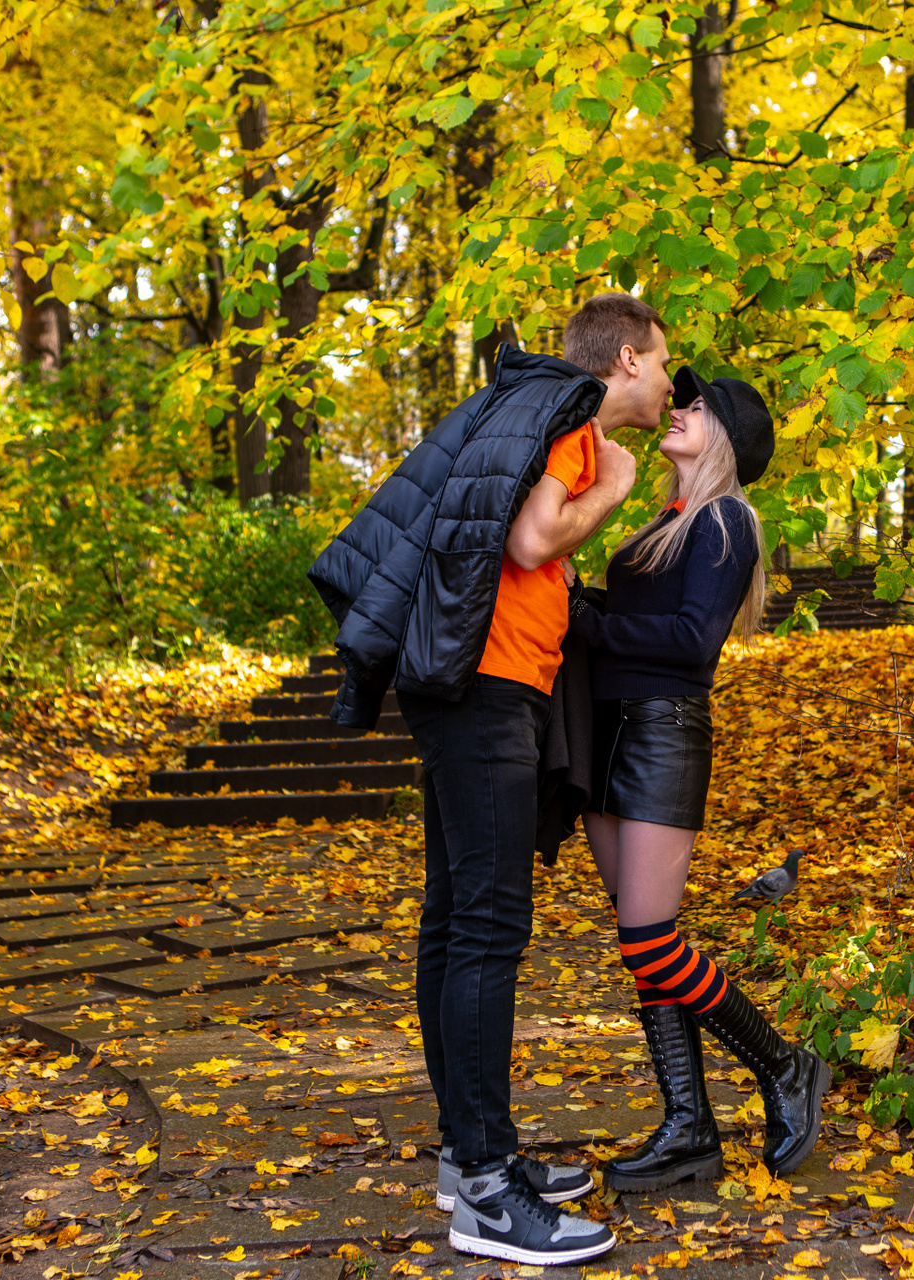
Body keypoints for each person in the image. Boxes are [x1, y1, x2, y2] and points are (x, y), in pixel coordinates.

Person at [309, 294, 672, 1265]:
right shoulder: (572, 421)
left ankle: (468, 1152)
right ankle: (485, 1188)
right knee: (487, 926)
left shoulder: (537, 410)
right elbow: (532, 539)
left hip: (466, 680)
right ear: (626, 360)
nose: (667, 383)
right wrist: (616, 488)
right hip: (488, 685)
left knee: (454, 916)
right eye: (661, 362)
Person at [569, 367, 832, 1191]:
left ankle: (784, 1064)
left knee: (651, 940)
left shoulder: (726, 519)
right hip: (608, 732)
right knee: (641, 947)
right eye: (680, 401)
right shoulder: (669, 519)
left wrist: (589, 620)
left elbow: (691, 641)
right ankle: (688, 1128)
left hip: (661, 735)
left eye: (697, 406)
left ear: (726, 437)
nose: (678, 412)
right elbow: (635, 617)